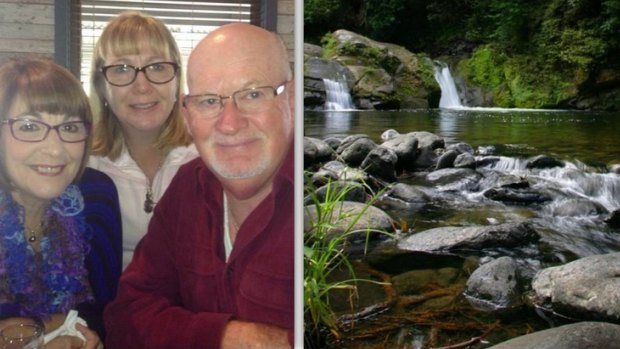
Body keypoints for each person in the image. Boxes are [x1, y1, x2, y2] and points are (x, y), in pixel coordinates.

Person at [104, 23, 295, 348]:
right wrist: (228, 337)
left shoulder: (312, 211)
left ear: (292, 97)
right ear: (188, 112)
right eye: (209, 101)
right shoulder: (189, 188)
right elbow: (127, 313)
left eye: (252, 94)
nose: (231, 123)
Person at [0, 57, 122, 349]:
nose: (55, 150)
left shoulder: (97, 196)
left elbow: (108, 311)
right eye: (29, 126)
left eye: (70, 128)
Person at [87, 10, 198, 269]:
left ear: (177, 79)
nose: (142, 85)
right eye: (122, 68)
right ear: (101, 85)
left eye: (157, 66)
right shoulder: (80, 165)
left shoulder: (208, 154)